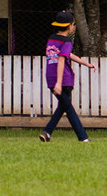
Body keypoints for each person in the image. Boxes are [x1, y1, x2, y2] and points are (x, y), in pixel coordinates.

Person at [39, 11, 96, 142]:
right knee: (69, 108)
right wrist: (59, 83)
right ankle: (83, 138)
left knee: (63, 107)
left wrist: (86, 63)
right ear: (70, 26)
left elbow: (67, 54)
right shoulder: (67, 41)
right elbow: (61, 60)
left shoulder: (52, 39)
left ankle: (47, 133)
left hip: (51, 78)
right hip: (63, 80)